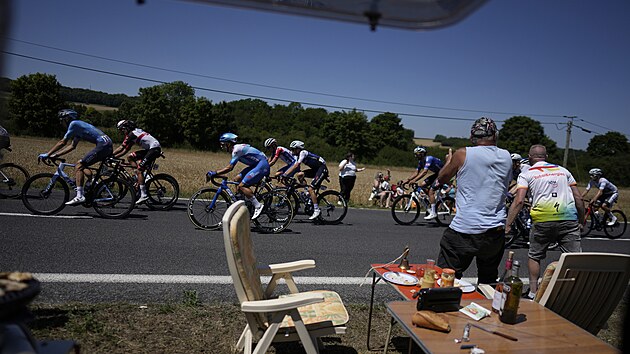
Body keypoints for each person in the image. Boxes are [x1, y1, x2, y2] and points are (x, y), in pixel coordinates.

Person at [434, 117, 512, 284]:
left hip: (464, 229)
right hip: (494, 231)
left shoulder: (463, 154)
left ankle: (445, 306)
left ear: (472, 136)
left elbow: (442, 178)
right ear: (495, 135)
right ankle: (485, 307)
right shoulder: (506, 157)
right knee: (488, 281)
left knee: (447, 278)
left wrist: (448, 162)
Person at [506, 144, 584, 300]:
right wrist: (582, 219)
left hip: (542, 219)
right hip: (568, 218)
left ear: (529, 157)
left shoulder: (527, 174)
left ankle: (534, 292)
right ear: (546, 157)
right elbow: (578, 197)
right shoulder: (563, 171)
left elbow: (519, 200)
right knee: (575, 257)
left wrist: (508, 224)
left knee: (535, 255)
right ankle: (576, 294)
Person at [39, 109, 113, 205]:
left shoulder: (74, 124)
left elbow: (63, 142)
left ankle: (79, 196)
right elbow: (72, 146)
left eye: (61, 120)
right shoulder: (78, 127)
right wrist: (56, 155)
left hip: (103, 145)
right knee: (81, 163)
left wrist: (47, 154)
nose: (61, 122)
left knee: (79, 166)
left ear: (67, 119)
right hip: (106, 144)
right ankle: (92, 184)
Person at [208, 133, 270, 219]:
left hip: (261, 165)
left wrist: (215, 172)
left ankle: (258, 206)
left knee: (241, 186)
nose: (222, 147)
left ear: (228, 144)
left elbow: (229, 168)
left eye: (223, 144)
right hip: (256, 165)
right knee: (236, 179)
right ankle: (243, 202)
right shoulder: (236, 149)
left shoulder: (236, 150)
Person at [112, 120, 162, 204]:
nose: (122, 132)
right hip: (151, 149)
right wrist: (114, 157)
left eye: (122, 129)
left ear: (127, 128)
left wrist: (110, 155)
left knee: (140, 170)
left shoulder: (132, 134)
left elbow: (121, 148)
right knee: (130, 157)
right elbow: (125, 150)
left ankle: (143, 195)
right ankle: (138, 177)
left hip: (154, 150)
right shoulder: (134, 133)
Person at [282, 140, 328, 220]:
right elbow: (294, 168)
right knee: (300, 175)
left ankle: (316, 210)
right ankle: (307, 192)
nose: (292, 151)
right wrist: (288, 175)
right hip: (315, 170)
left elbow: (296, 165)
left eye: (294, 149)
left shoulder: (303, 152)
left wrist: (285, 174)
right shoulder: (297, 156)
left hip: (322, 169)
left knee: (311, 188)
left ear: (298, 149)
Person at [404, 146, 444, 220]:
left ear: (422, 154)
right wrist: (408, 180)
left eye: (417, 154)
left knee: (431, 191)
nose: (415, 156)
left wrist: (414, 180)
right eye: (415, 154)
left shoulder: (429, 159)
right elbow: (416, 172)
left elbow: (424, 172)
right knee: (422, 185)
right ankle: (431, 200)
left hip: (444, 174)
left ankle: (433, 213)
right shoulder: (421, 161)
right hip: (437, 174)